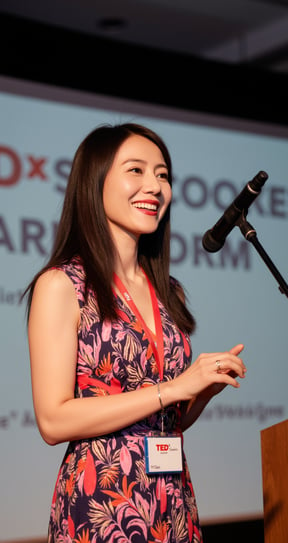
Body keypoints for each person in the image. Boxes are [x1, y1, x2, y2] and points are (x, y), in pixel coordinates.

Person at [26, 123, 246, 543]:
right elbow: (53, 420)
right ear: (96, 182)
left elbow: (161, 420)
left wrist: (198, 393)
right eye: (137, 170)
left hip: (172, 499)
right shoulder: (62, 285)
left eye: (163, 175)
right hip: (102, 503)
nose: (155, 186)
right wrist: (173, 388)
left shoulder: (168, 291)